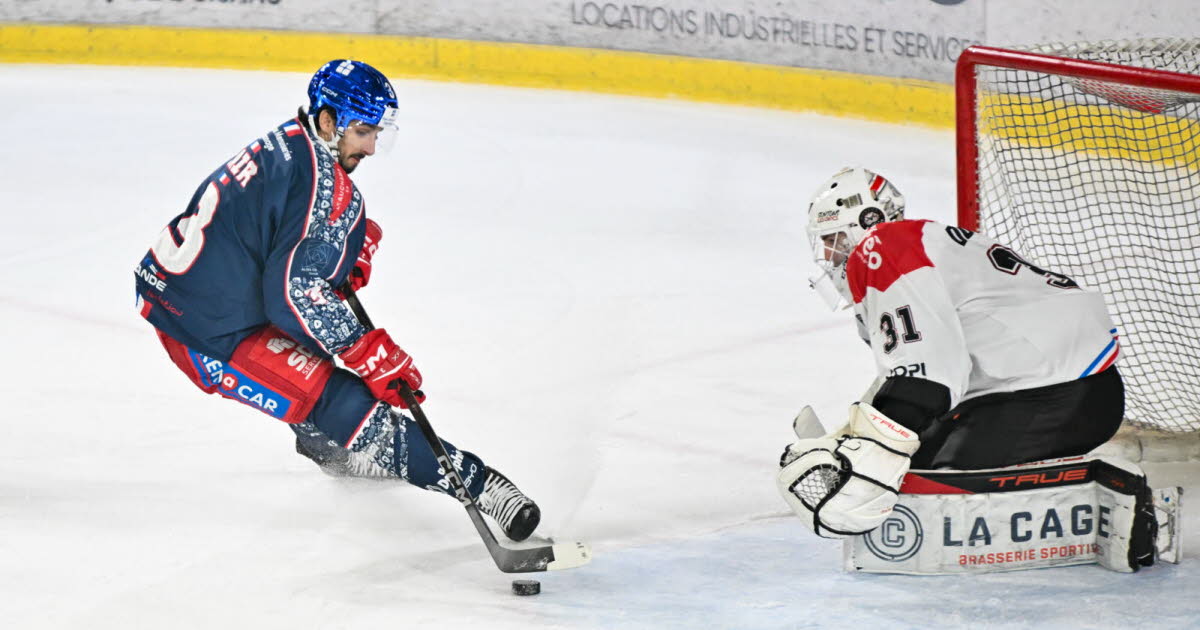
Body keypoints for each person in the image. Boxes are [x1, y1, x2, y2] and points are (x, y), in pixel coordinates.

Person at [133, 59, 540, 542]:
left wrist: (337, 254)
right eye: (363, 131)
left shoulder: (291, 142)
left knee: (313, 344)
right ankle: (479, 483)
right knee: (333, 394)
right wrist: (368, 352)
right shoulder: (321, 186)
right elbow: (292, 295)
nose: (370, 147)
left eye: (377, 133)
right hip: (205, 329)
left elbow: (281, 242)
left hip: (194, 292)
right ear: (328, 121)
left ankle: (324, 444)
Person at [777, 167, 1125, 538]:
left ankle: (1116, 513)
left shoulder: (883, 248)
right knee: (911, 466)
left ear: (868, 221)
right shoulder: (909, 247)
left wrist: (872, 453)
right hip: (1048, 391)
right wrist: (852, 436)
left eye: (834, 238)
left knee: (931, 480)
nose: (829, 254)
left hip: (1063, 394)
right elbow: (915, 376)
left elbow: (928, 380)